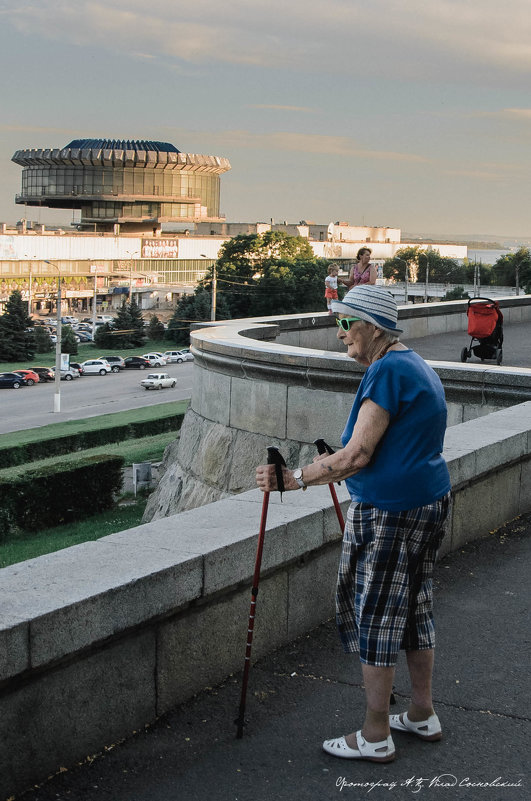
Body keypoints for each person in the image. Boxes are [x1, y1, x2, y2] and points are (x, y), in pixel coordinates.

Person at [255, 284, 451, 763]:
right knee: (414, 608)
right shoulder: (416, 365)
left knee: (378, 616)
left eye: (345, 323)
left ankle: (375, 732)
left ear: (373, 326)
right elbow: (388, 446)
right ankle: (422, 713)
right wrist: (337, 464)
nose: (339, 333)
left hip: (391, 513)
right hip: (426, 502)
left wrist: (292, 478)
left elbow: (359, 453)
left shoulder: (386, 372)